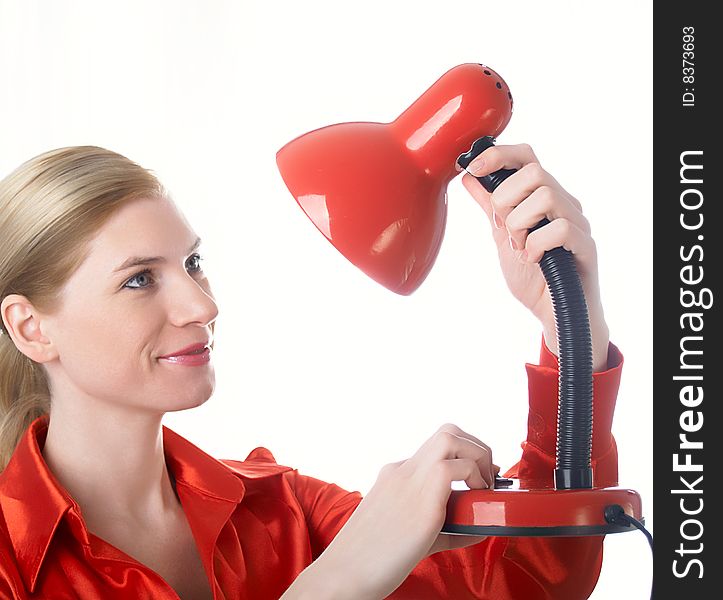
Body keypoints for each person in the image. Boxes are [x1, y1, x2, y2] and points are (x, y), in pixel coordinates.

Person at [0, 144, 622, 600]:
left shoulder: (281, 509)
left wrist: (572, 327)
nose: (202, 306)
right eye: (140, 279)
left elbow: (524, 581)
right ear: (32, 328)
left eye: (193, 263)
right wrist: (342, 579)